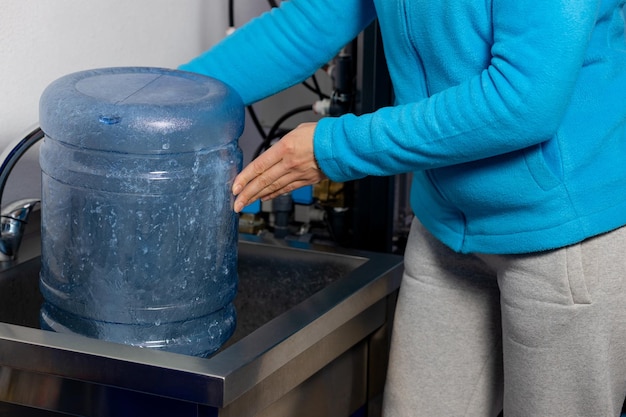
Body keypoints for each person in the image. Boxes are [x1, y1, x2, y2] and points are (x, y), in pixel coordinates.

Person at [179, 1, 626, 415]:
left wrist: (332, 147)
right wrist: (165, 100)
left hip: (564, 238)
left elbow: (524, 99)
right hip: (445, 228)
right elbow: (312, 20)